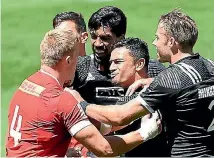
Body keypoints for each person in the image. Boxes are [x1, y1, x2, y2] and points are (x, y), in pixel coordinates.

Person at [71, 9, 214, 157]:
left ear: (171, 42)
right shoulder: (209, 66)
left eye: (157, 38)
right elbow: (192, 87)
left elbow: (120, 116)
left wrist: (81, 104)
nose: (154, 43)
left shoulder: (170, 78)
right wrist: (155, 81)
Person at [5, 28, 161, 157]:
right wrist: (145, 132)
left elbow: (40, 133)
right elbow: (104, 149)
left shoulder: (27, 85)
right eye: (76, 57)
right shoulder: (61, 99)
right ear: (68, 61)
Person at [69, 6, 166, 157]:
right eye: (94, 37)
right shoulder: (81, 69)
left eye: (105, 38)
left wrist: (155, 81)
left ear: (121, 37)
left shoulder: (148, 69)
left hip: (143, 150)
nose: (97, 43)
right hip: (100, 151)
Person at [109, 37, 170, 157]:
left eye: (118, 62)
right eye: (111, 62)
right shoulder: (167, 86)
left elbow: (110, 123)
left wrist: (82, 105)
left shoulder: (130, 102)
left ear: (139, 64)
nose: (111, 67)